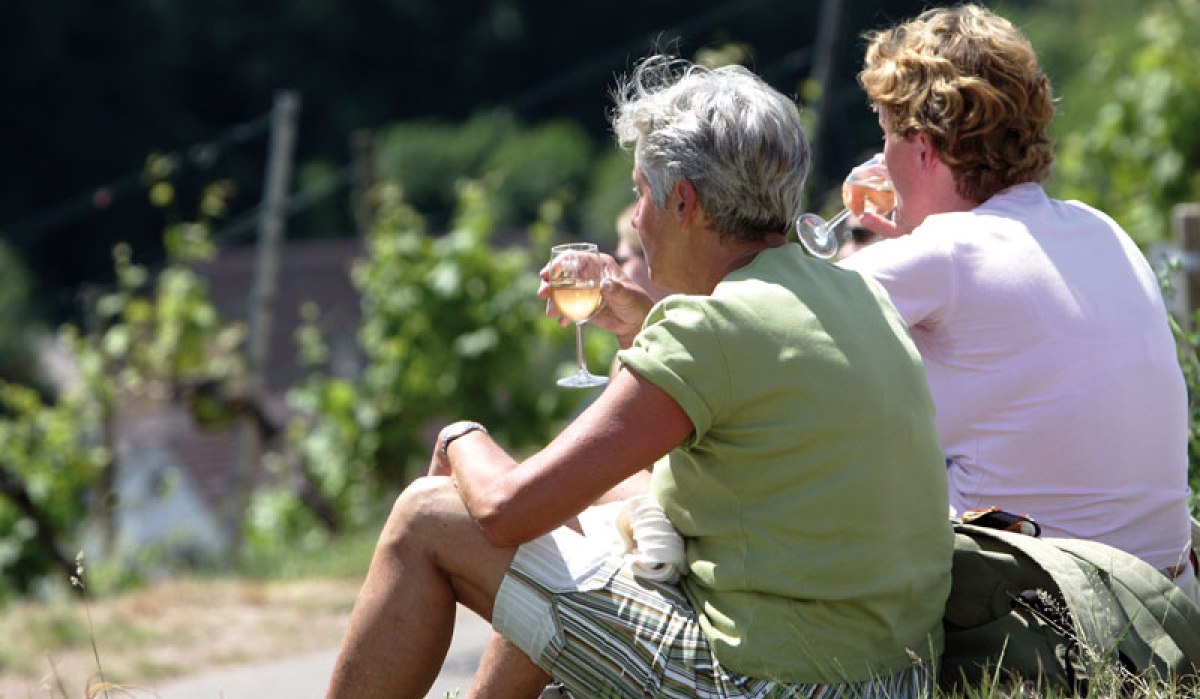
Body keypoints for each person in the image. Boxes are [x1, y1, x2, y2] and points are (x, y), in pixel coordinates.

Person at [325, 54, 954, 699]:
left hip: (776, 685)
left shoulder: (708, 329)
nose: (635, 218)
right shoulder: (854, 294)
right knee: (602, 512)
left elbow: (506, 510)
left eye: (639, 192)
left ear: (682, 202)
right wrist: (642, 326)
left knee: (426, 516)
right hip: (895, 678)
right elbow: (748, 385)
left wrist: (459, 436)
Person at [838, 3, 1198, 602]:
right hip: (1171, 610)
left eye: (886, 138)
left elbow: (778, 324)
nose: (882, 161)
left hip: (1053, 628)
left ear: (924, 150)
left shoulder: (946, 254)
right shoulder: (1098, 228)